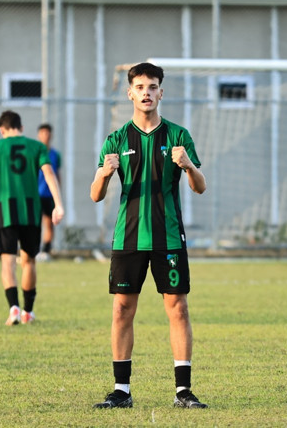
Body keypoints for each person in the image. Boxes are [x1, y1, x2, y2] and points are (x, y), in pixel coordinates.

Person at [90, 62, 208, 409]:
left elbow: (200, 187)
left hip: (168, 237)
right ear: (130, 93)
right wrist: (104, 174)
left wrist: (188, 165)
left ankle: (183, 391)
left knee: (178, 308)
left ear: (161, 92)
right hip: (128, 238)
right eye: (140, 87)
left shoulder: (178, 136)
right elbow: (95, 195)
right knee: (122, 310)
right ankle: (121, 391)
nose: (146, 93)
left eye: (152, 87)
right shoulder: (116, 140)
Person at [0, 110, 64, 325]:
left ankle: (13, 308)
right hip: (31, 210)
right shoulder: (37, 147)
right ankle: (28, 312)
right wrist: (58, 204)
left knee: (8, 261)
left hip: (7, 209)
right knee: (29, 261)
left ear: (1, 130)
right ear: (21, 128)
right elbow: (49, 174)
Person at [35, 123, 62, 262]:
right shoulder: (34, 152)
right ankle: (32, 250)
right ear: (39, 135)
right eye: (43, 133)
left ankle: (46, 251)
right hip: (35, 195)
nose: (45, 136)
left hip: (49, 195)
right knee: (33, 224)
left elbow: (57, 174)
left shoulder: (55, 155)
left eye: (48, 133)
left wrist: (58, 195)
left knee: (49, 223)